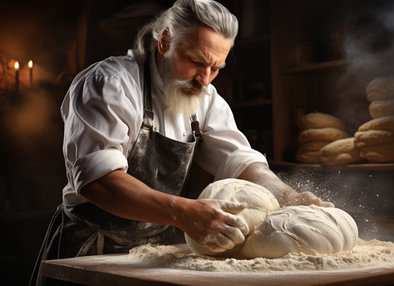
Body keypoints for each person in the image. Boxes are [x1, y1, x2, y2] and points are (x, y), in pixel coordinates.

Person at [30, 0, 332, 284]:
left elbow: (240, 159)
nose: (204, 79)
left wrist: (286, 195)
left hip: (150, 254)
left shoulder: (206, 99)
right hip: (89, 248)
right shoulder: (109, 84)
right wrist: (184, 213)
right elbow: (99, 181)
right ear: (164, 42)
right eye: (196, 61)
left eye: (215, 69)